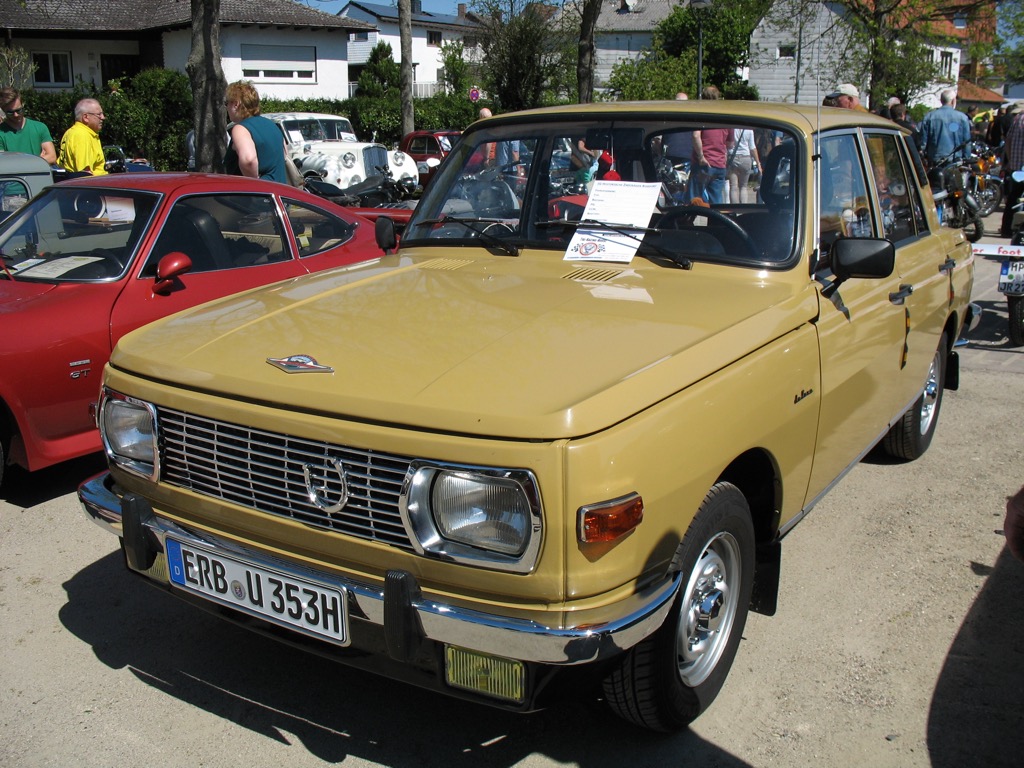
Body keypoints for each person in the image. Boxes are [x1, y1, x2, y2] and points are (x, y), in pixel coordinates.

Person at [223, 80, 288, 184]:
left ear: (236, 104)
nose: (226, 108)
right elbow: (285, 156)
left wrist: (254, 184)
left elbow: (248, 160)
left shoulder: (241, 129)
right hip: (279, 193)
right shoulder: (273, 125)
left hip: (255, 196)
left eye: (227, 103)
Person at [691, 85, 732, 204]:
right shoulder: (725, 117)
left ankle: (687, 221)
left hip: (703, 163)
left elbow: (695, 135)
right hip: (719, 164)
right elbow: (730, 143)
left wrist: (701, 156)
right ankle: (714, 221)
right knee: (716, 201)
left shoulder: (702, 114)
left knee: (694, 200)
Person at [0, 87, 56, 164]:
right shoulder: (1, 133)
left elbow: (52, 157)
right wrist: (38, 160)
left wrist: (18, 163)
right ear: (3, 110)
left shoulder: (40, 127)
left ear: (23, 104)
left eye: (19, 110)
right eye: (10, 112)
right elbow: (3, 164)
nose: (16, 115)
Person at [916, 89, 972, 167]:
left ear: (941, 101)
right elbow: (966, 142)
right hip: (955, 161)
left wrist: (922, 155)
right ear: (953, 101)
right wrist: (967, 160)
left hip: (934, 160)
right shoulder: (962, 118)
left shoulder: (929, 117)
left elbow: (923, 141)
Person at [57, 98, 107, 175]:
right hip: (91, 185)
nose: (103, 117)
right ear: (85, 117)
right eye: (99, 114)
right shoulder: (82, 136)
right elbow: (84, 174)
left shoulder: (71, 132)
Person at [1000, 102, 1024, 237]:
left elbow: (1007, 141)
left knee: (1013, 198)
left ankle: (1007, 229)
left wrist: (1010, 160)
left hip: (1015, 168)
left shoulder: (1016, 120)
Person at [727, 126, 761, 204]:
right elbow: (752, 147)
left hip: (733, 157)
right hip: (746, 157)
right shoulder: (749, 130)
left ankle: (734, 209)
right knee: (743, 186)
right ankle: (743, 207)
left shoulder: (731, 128)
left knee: (733, 186)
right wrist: (758, 163)